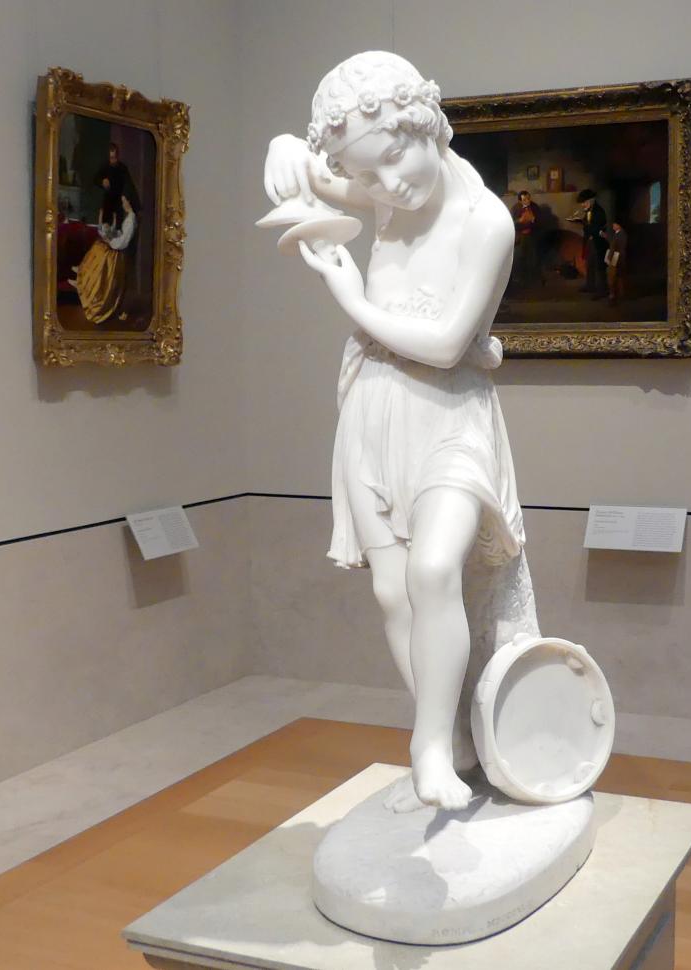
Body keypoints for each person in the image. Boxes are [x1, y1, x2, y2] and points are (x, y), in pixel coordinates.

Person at [263, 51, 538, 812]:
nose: (385, 186)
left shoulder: (484, 222)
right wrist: (284, 148)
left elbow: (448, 346)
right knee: (393, 590)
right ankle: (451, 740)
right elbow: (314, 172)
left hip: (448, 413)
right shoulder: (384, 189)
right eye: (367, 174)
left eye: (391, 159)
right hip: (373, 407)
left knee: (435, 568)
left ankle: (427, 750)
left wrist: (350, 298)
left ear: (424, 125)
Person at [70, 192, 137, 324]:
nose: (123, 204)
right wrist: (112, 235)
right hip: (116, 247)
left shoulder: (131, 219)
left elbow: (123, 242)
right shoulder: (129, 216)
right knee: (98, 245)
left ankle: (83, 280)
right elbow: (122, 235)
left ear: (130, 203)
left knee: (101, 249)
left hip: (117, 254)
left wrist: (109, 240)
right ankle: (82, 274)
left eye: (124, 201)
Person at [94, 142, 139, 229]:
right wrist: (102, 181)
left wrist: (124, 196)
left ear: (117, 156)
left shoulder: (123, 168)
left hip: (119, 203)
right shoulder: (105, 166)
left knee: (118, 229)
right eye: (111, 158)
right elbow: (95, 179)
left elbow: (128, 184)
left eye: (115, 158)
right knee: (105, 228)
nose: (113, 160)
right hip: (108, 203)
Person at [575, 188, 607, 297]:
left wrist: (587, 226)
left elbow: (597, 228)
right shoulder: (588, 210)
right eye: (582, 203)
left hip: (598, 242)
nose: (582, 205)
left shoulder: (599, 211)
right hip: (590, 241)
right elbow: (588, 224)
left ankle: (601, 290)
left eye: (584, 202)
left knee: (599, 266)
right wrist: (582, 221)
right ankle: (590, 285)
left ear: (591, 200)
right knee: (590, 264)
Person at [510, 189, 541, 287]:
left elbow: (540, 222)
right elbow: (511, 224)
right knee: (520, 258)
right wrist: (520, 220)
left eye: (528, 198)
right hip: (520, 237)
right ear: (520, 201)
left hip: (532, 236)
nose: (527, 201)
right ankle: (520, 280)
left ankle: (531, 280)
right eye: (524, 200)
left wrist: (533, 219)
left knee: (532, 258)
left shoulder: (535, 207)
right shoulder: (515, 208)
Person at [604, 219, 627, 304]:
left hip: (616, 258)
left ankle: (612, 295)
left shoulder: (621, 234)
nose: (613, 226)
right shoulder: (619, 234)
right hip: (619, 258)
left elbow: (614, 246)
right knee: (619, 277)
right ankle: (620, 295)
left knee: (611, 277)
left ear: (619, 225)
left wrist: (609, 258)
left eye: (615, 224)